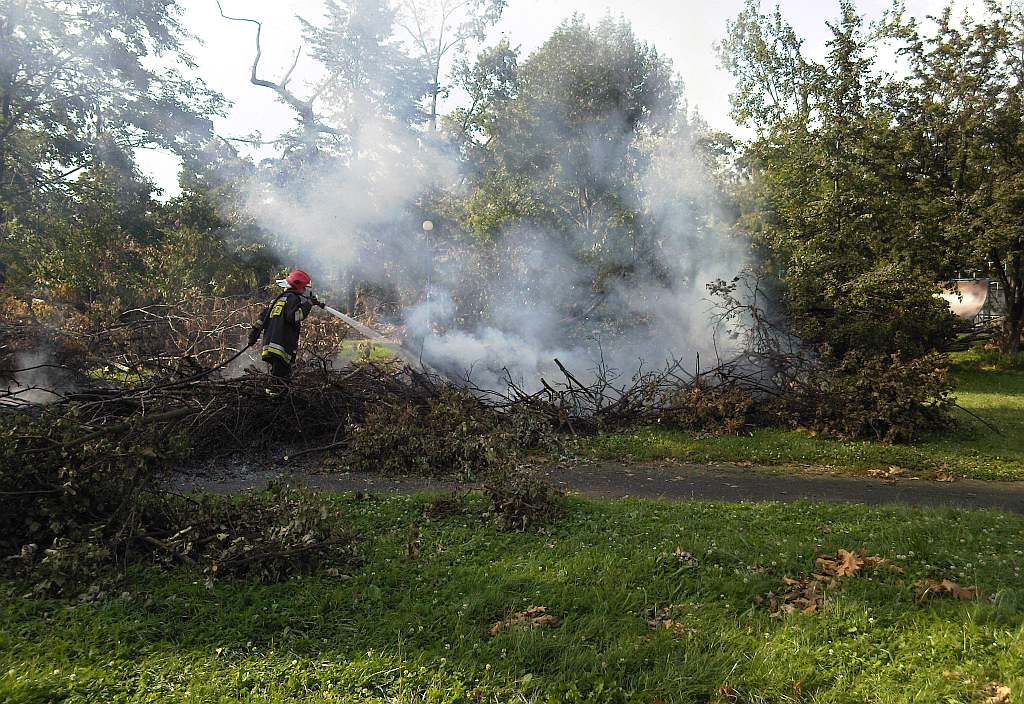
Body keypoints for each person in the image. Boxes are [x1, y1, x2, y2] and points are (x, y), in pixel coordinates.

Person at [248, 269, 323, 378]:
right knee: (280, 379)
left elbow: (262, 319)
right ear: (297, 286)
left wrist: (253, 334)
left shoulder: (277, 300)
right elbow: (294, 317)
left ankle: (272, 393)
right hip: (281, 347)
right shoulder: (293, 298)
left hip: (269, 345)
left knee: (277, 376)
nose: (304, 291)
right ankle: (275, 395)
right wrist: (308, 304)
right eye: (304, 288)